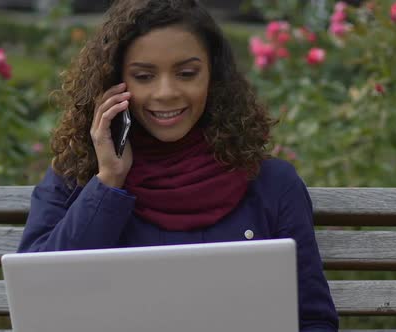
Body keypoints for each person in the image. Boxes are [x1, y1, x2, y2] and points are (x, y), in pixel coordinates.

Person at [17, 0, 338, 330]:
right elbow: (39, 299)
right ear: (113, 84)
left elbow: (314, 320)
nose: (166, 92)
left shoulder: (271, 183)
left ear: (213, 77)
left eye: (187, 73)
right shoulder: (74, 178)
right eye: (144, 76)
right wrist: (108, 183)